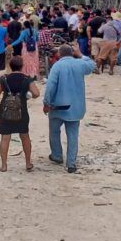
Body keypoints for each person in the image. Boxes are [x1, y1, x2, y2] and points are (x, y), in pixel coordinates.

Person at [43, 43, 96, 174]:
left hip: (58, 106)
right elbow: (92, 65)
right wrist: (81, 54)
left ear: (59, 54)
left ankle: (57, 155)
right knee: (73, 135)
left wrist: (46, 103)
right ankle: (71, 163)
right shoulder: (80, 64)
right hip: (76, 106)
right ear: (72, 53)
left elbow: (50, 85)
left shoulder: (57, 66)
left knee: (54, 132)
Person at [0, 56, 39, 172]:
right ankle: (28, 163)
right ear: (22, 66)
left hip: (5, 110)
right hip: (21, 110)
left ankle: (4, 165)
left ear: (10, 66)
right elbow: (36, 94)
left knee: (5, 138)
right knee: (24, 136)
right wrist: (27, 95)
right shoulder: (27, 79)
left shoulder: (3, 78)